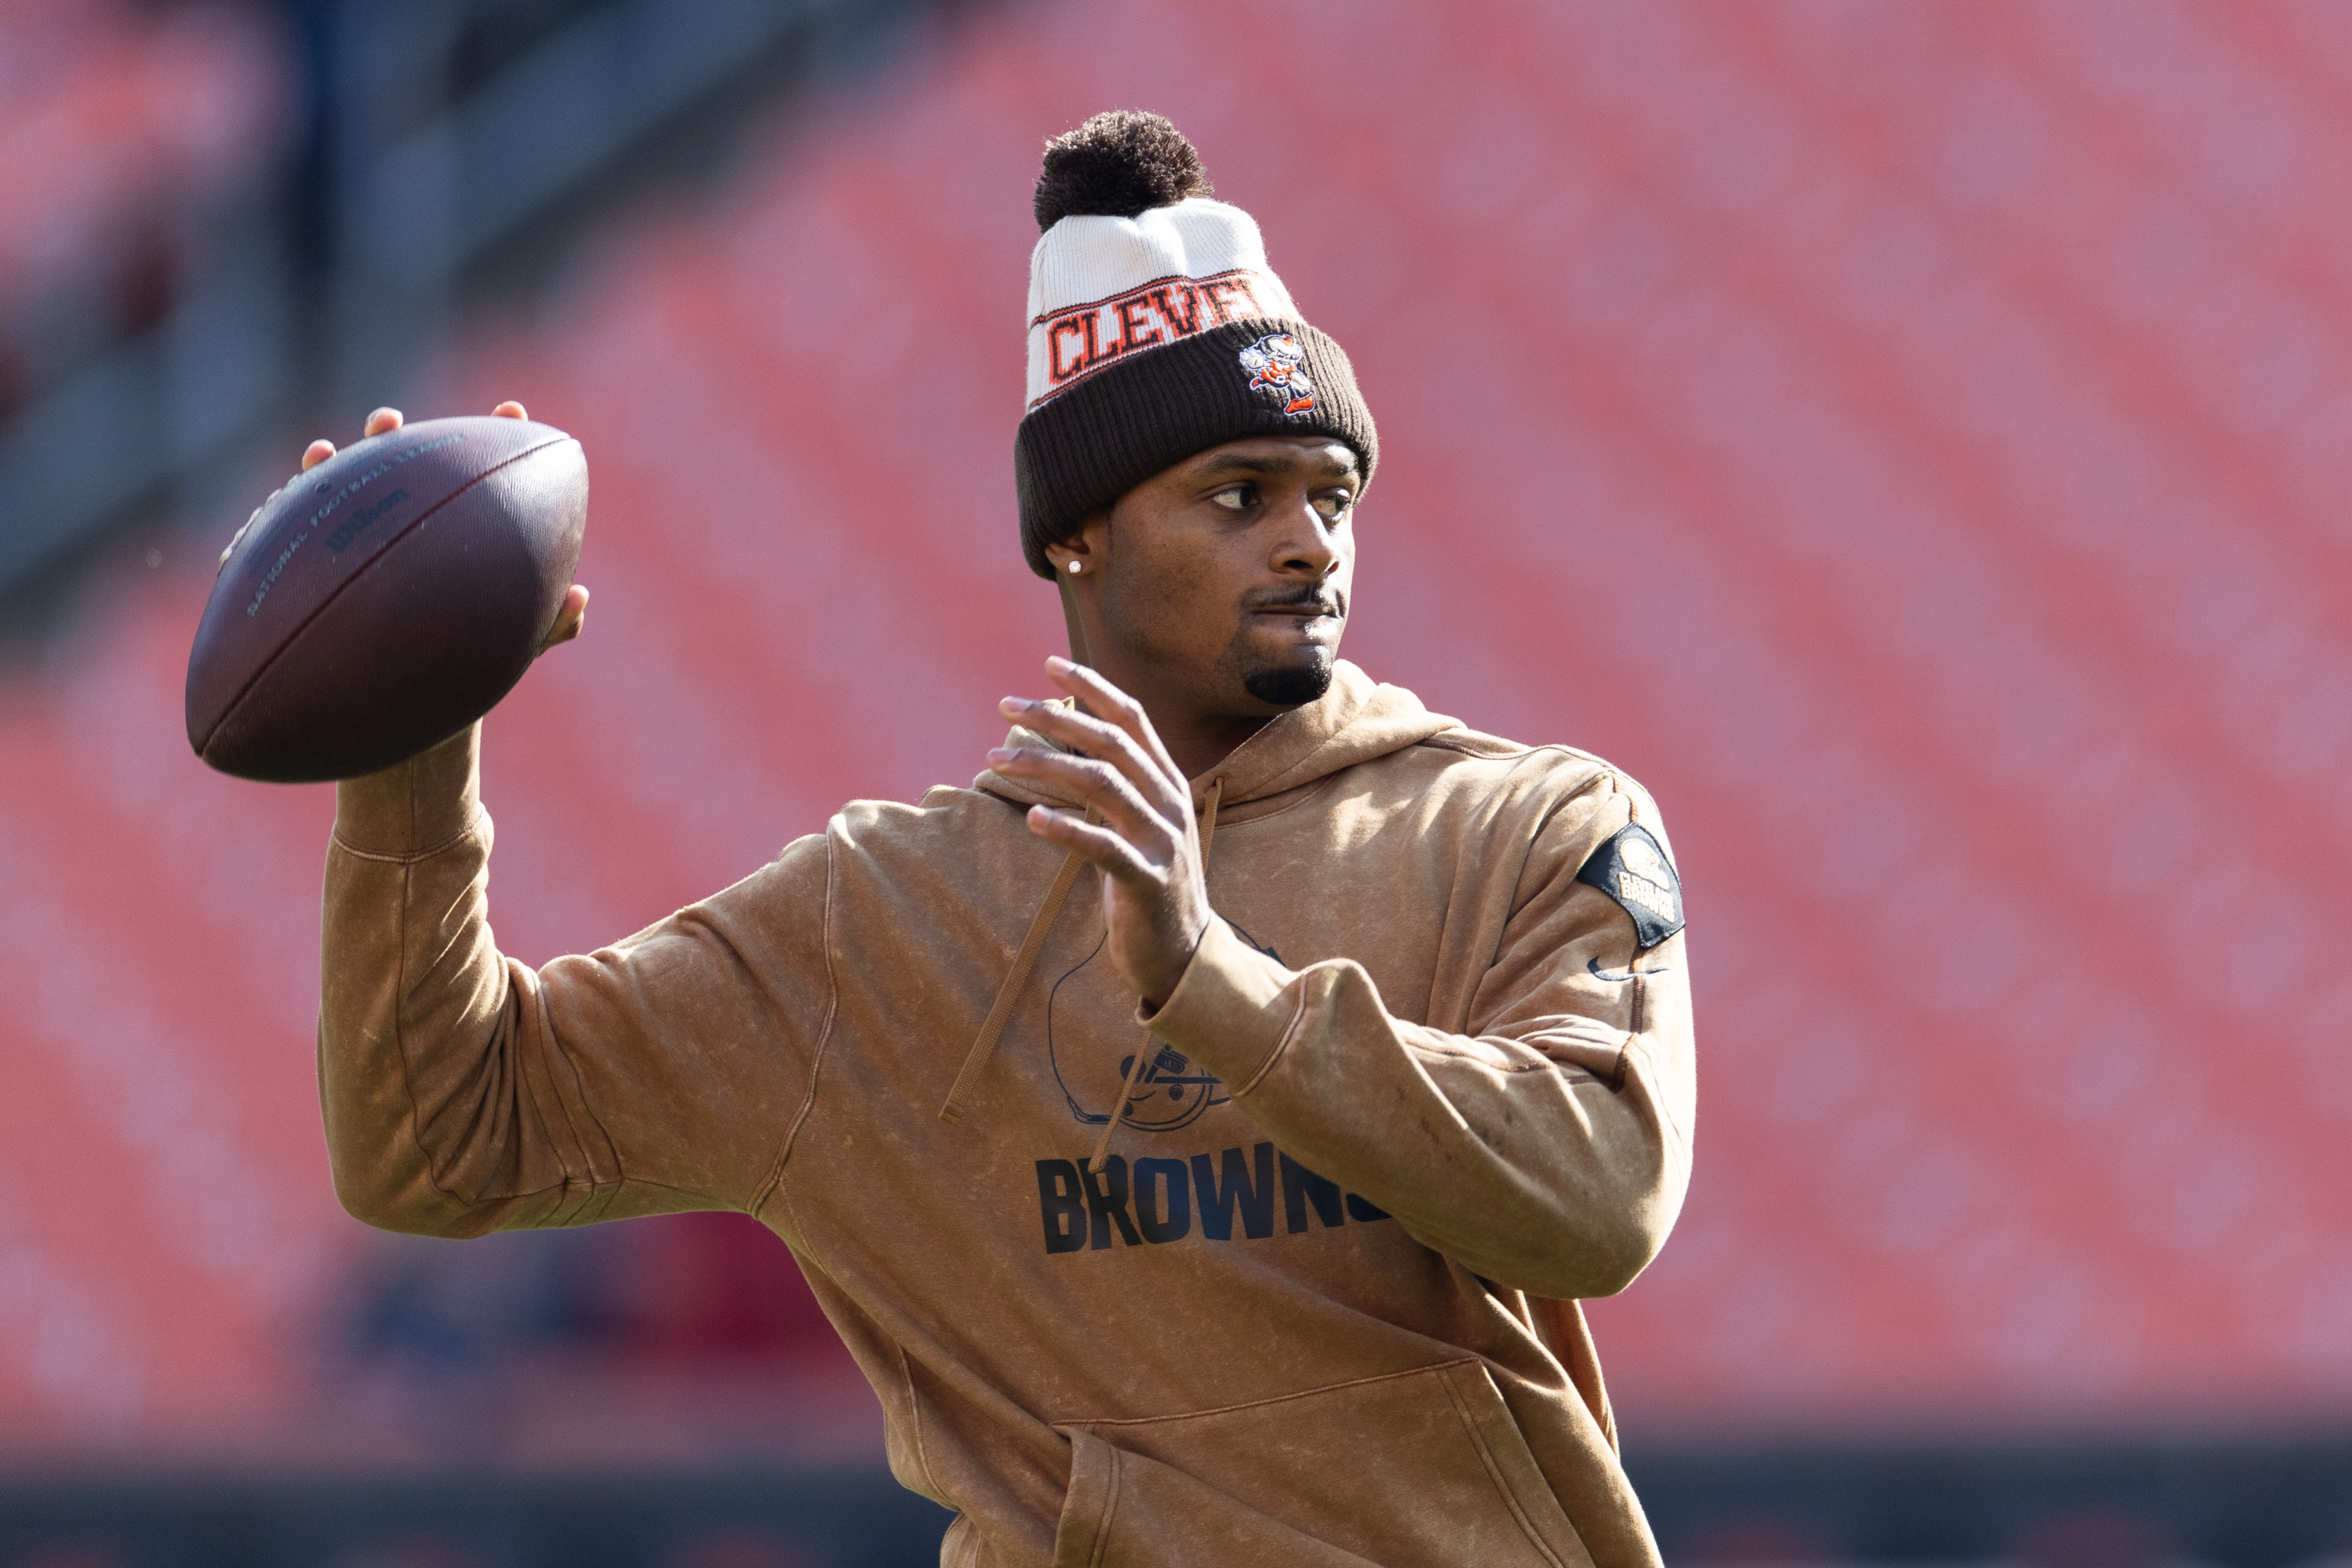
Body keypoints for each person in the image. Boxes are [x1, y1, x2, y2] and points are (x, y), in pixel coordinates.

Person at [307, 111, 1695, 1568]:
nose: (1312, 544)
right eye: (1241, 494)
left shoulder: (1536, 824)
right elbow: (439, 1142)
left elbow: (1600, 1195)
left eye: (1330, 493)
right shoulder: (884, 919)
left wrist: (1210, 977)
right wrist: (411, 752)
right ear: (1079, 532)